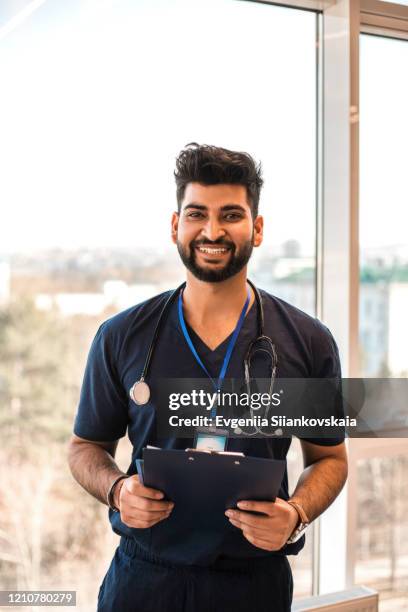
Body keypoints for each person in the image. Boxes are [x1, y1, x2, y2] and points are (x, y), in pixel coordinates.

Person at [68, 143, 348, 612]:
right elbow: (84, 448)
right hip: (145, 581)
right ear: (176, 226)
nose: (212, 230)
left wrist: (296, 515)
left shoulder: (308, 342)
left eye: (231, 215)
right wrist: (118, 491)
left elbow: (330, 459)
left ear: (256, 230)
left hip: (252, 584)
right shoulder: (121, 336)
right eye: (197, 213)